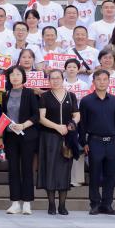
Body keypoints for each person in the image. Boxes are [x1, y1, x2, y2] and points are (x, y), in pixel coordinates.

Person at [78, 69, 115, 215]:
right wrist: (84, 142)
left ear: (109, 82)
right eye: (98, 79)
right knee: (95, 174)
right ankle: (95, 204)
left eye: (105, 79)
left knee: (110, 175)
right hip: (94, 141)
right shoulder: (86, 101)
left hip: (111, 142)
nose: (102, 82)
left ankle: (107, 204)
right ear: (93, 82)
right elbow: (82, 124)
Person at [36, 68, 79, 216]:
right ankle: (51, 205)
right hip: (49, 137)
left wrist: (71, 124)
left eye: (58, 78)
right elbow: (41, 118)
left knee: (64, 170)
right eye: (52, 78)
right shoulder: (45, 96)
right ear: (49, 81)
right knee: (49, 169)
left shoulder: (71, 96)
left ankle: (62, 205)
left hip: (66, 138)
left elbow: (77, 114)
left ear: (62, 79)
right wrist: (57, 127)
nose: (55, 81)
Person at [0, 66, 39, 215]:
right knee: (13, 169)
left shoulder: (29, 93)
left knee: (27, 168)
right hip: (10, 136)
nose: (15, 77)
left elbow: (36, 115)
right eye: (12, 75)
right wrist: (1, 137)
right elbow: (3, 116)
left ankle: (27, 203)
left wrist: (23, 125)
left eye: (18, 74)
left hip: (27, 135)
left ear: (23, 77)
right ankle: (15, 202)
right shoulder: (6, 94)